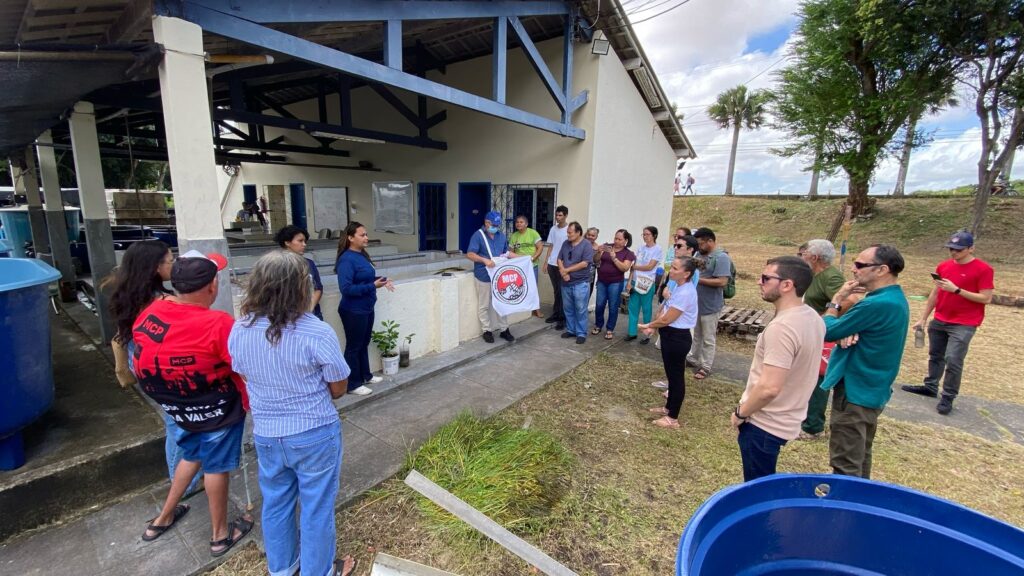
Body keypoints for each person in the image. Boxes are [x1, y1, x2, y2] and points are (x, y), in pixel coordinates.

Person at [229, 250, 357, 576]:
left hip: (267, 433)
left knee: (276, 503)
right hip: (314, 432)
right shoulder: (316, 331)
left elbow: (243, 374)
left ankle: (283, 569)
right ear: (300, 287)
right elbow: (339, 387)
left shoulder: (240, 329)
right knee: (316, 508)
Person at [133, 250, 253, 556]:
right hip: (216, 409)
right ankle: (219, 535)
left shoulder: (152, 312)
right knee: (216, 467)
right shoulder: (218, 323)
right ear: (212, 286)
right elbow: (243, 364)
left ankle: (162, 518)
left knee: (191, 454)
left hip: (177, 407)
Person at [105, 240, 201, 496]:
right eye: (171, 260)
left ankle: (185, 478)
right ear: (155, 267)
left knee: (175, 422)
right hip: (163, 371)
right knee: (180, 425)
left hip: (141, 366)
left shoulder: (129, 295)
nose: (174, 264)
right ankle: (184, 485)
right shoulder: (162, 302)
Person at [732, 257, 825, 481]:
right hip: (786, 419)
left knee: (757, 489)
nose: (759, 282)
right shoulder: (812, 317)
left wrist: (740, 413)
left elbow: (769, 388)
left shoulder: (782, 328)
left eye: (766, 278)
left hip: (764, 424)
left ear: (787, 285)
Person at [821, 245, 910, 478]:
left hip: (855, 390)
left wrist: (836, 300)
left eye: (860, 265)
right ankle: (860, 494)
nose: (854, 269)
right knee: (860, 455)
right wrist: (848, 329)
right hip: (872, 388)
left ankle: (846, 500)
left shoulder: (875, 304)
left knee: (846, 462)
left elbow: (826, 330)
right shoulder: (893, 298)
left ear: (882, 270)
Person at [901, 230, 994, 415]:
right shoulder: (943, 266)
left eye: (959, 249)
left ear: (971, 249)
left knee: (953, 359)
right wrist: (923, 317)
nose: (954, 252)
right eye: (951, 249)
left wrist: (957, 290)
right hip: (940, 318)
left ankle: (948, 396)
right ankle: (930, 386)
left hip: (964, 323)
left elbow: (986, 298)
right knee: (936, 355)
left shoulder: (984, 269)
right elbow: (936, 293)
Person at [639, 257, 698, 429]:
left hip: (677, 338)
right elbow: (665, 310)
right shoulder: (678, 287)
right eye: (671, 267)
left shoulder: (686, 292)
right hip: (669, 335)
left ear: (686, 274)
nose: (671, 270)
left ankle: (673, 418)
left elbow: (667, 319)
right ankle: (668, 408)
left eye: (675, 268)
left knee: (676, 378)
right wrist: (654, 327)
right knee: (671, 376)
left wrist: (649, 325)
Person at [336, 222, 394, 395]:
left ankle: (365, 376)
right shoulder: (346, 259)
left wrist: (382, 279)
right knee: (353, 346)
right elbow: (346, 289)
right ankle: (352, 384)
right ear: (350, 238)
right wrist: (373, 286)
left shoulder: (362, 255)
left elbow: (365, 278)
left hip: (367, 307)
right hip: (353, 310)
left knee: (364, 343)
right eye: (362, 235)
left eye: (366, 234)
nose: (366, 238)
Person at [797, 239, 847, 439]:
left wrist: (826, 318)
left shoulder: (831, 277)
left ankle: (813, 427)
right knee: (806, 376)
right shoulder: (815, 274)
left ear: (815, 257)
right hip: (811, 332)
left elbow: (849, 301)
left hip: (823, 336)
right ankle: (804, 418)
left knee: (818, 378)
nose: (802, 256)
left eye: (804, 253)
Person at [688, 227, 732, 381]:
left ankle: (706, 366)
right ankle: (693, 358)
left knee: (708, 337)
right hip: (697, 303)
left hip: (711, 305)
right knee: (697, 334)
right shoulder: (699, 254)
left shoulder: (721, 258)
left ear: (710, 241)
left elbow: (722, 281)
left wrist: (698, 280)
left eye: (701, 243)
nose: (698, 247)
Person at [466, 210, 515, 343]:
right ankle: (486, 330)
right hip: (484, 276)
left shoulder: (501, 236)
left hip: (498, 276)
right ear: (486, 222)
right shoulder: (478, 235)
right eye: (493, 225)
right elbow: (470, 254)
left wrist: (524, 258)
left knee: (502, 302)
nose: (495, 227)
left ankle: (504, 329)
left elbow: (506, 253)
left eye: (497, 225)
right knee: (484, 305)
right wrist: (484, 260)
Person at [653, 234, 700, 352]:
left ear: (690, 249)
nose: (675, 248)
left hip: (678, 320)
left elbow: (684, 296)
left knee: (675, 352)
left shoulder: (692, 272)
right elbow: (669, 287)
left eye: (679, 246)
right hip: (668, 309)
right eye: (675, 245)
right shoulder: (676, 266)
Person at [593, 229, 635, 340]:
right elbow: (595, 260)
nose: (616, 241)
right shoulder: (607, 247)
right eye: (615, 238)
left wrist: (614, 258)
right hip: (602, 281)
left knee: (613, 306)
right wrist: (598, 252)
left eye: (619, 239)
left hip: (615, 283)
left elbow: (625, 268)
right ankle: (598, 325)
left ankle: (610, 328)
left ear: (625, 240)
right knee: (599, 304)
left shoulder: (628, 253)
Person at [557, 221, 595, 344]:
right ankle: (571, 330)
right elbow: (559, 259)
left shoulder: (586, 245)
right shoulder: (565, 243)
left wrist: (567, 270)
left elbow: (584, 263)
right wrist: (563, 272)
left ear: (578, 232)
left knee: (580, 309)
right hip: (566, 282)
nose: (568, 235)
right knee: (568, 308)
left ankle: (581, 333)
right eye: (567, 232)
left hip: (580, 282)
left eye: (570, 232)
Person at [275, 224, 324, 320]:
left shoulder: (309, 263)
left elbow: (318, 288)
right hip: (286, 316)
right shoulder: (277, 265)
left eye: (305, 241)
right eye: (300, 241)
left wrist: (309, 307)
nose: (304, 244)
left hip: (312, 314)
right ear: (287, 242)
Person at [625, 226, 663, 344]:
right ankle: (632, 332)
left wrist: (635, 267)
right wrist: (629, 281)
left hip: (647, 282)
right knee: (633, 308)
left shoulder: (657, 249)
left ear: (654, 235)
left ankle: (647, 334)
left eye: (647, 234)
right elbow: (633, 267)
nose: (645, 237)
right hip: (635, 281)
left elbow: (650, 266)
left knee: (646, 309)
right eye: (643, 234)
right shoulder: (640, 248)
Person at [509, 214, 545, 318]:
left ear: (526, 224)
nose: (518, 224)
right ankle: (524, 309)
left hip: (532, 265)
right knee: (520, 287)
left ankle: (536, 310)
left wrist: (533, 258)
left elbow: (540, 247)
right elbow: (511, 252)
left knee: (533, 287)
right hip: (519, 267)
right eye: (517, 222)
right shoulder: (514, 236)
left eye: (521, 222)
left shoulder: (532, 233)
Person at [544, 205, 570, 330]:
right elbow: (550, 245)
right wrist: (546, 262)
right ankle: (556, 314)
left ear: (565, 216)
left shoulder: (569, 230)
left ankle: (562, 318)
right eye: (556, 215)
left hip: (562, 265)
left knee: (562, 292)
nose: (557, 217)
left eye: (560, 215)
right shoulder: (553, 229)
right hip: (552, 264)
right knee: (556, 291)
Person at [585, 227, 601, 302]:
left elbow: (598, 263)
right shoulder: (581, 243)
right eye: (589, 235)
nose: (590, 237)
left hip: (591, 274)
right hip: (579, 273)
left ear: (596, 237)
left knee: (588, 294)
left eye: (593, 235)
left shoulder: (597, 248)